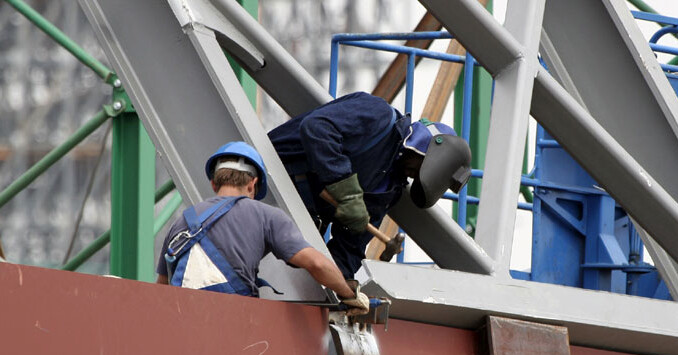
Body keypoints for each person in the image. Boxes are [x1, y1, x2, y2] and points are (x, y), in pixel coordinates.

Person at [269, 91, 472, 279]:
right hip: (267, 177)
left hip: (289, 224)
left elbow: (350, 246)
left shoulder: (388, 189)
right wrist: (347, 193)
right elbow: (317, 128)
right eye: (421, 171)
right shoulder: (379, 116)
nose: (415, 176)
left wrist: (342, 283)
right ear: (424, 151)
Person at [156, 141, 369, 315]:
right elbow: (317, 264)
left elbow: (161, 288)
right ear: (252, 184)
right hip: (234, 320)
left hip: (181, 320)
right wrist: (348, 294)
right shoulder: (266, 215)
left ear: (214, 183)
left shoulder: (182, 222)